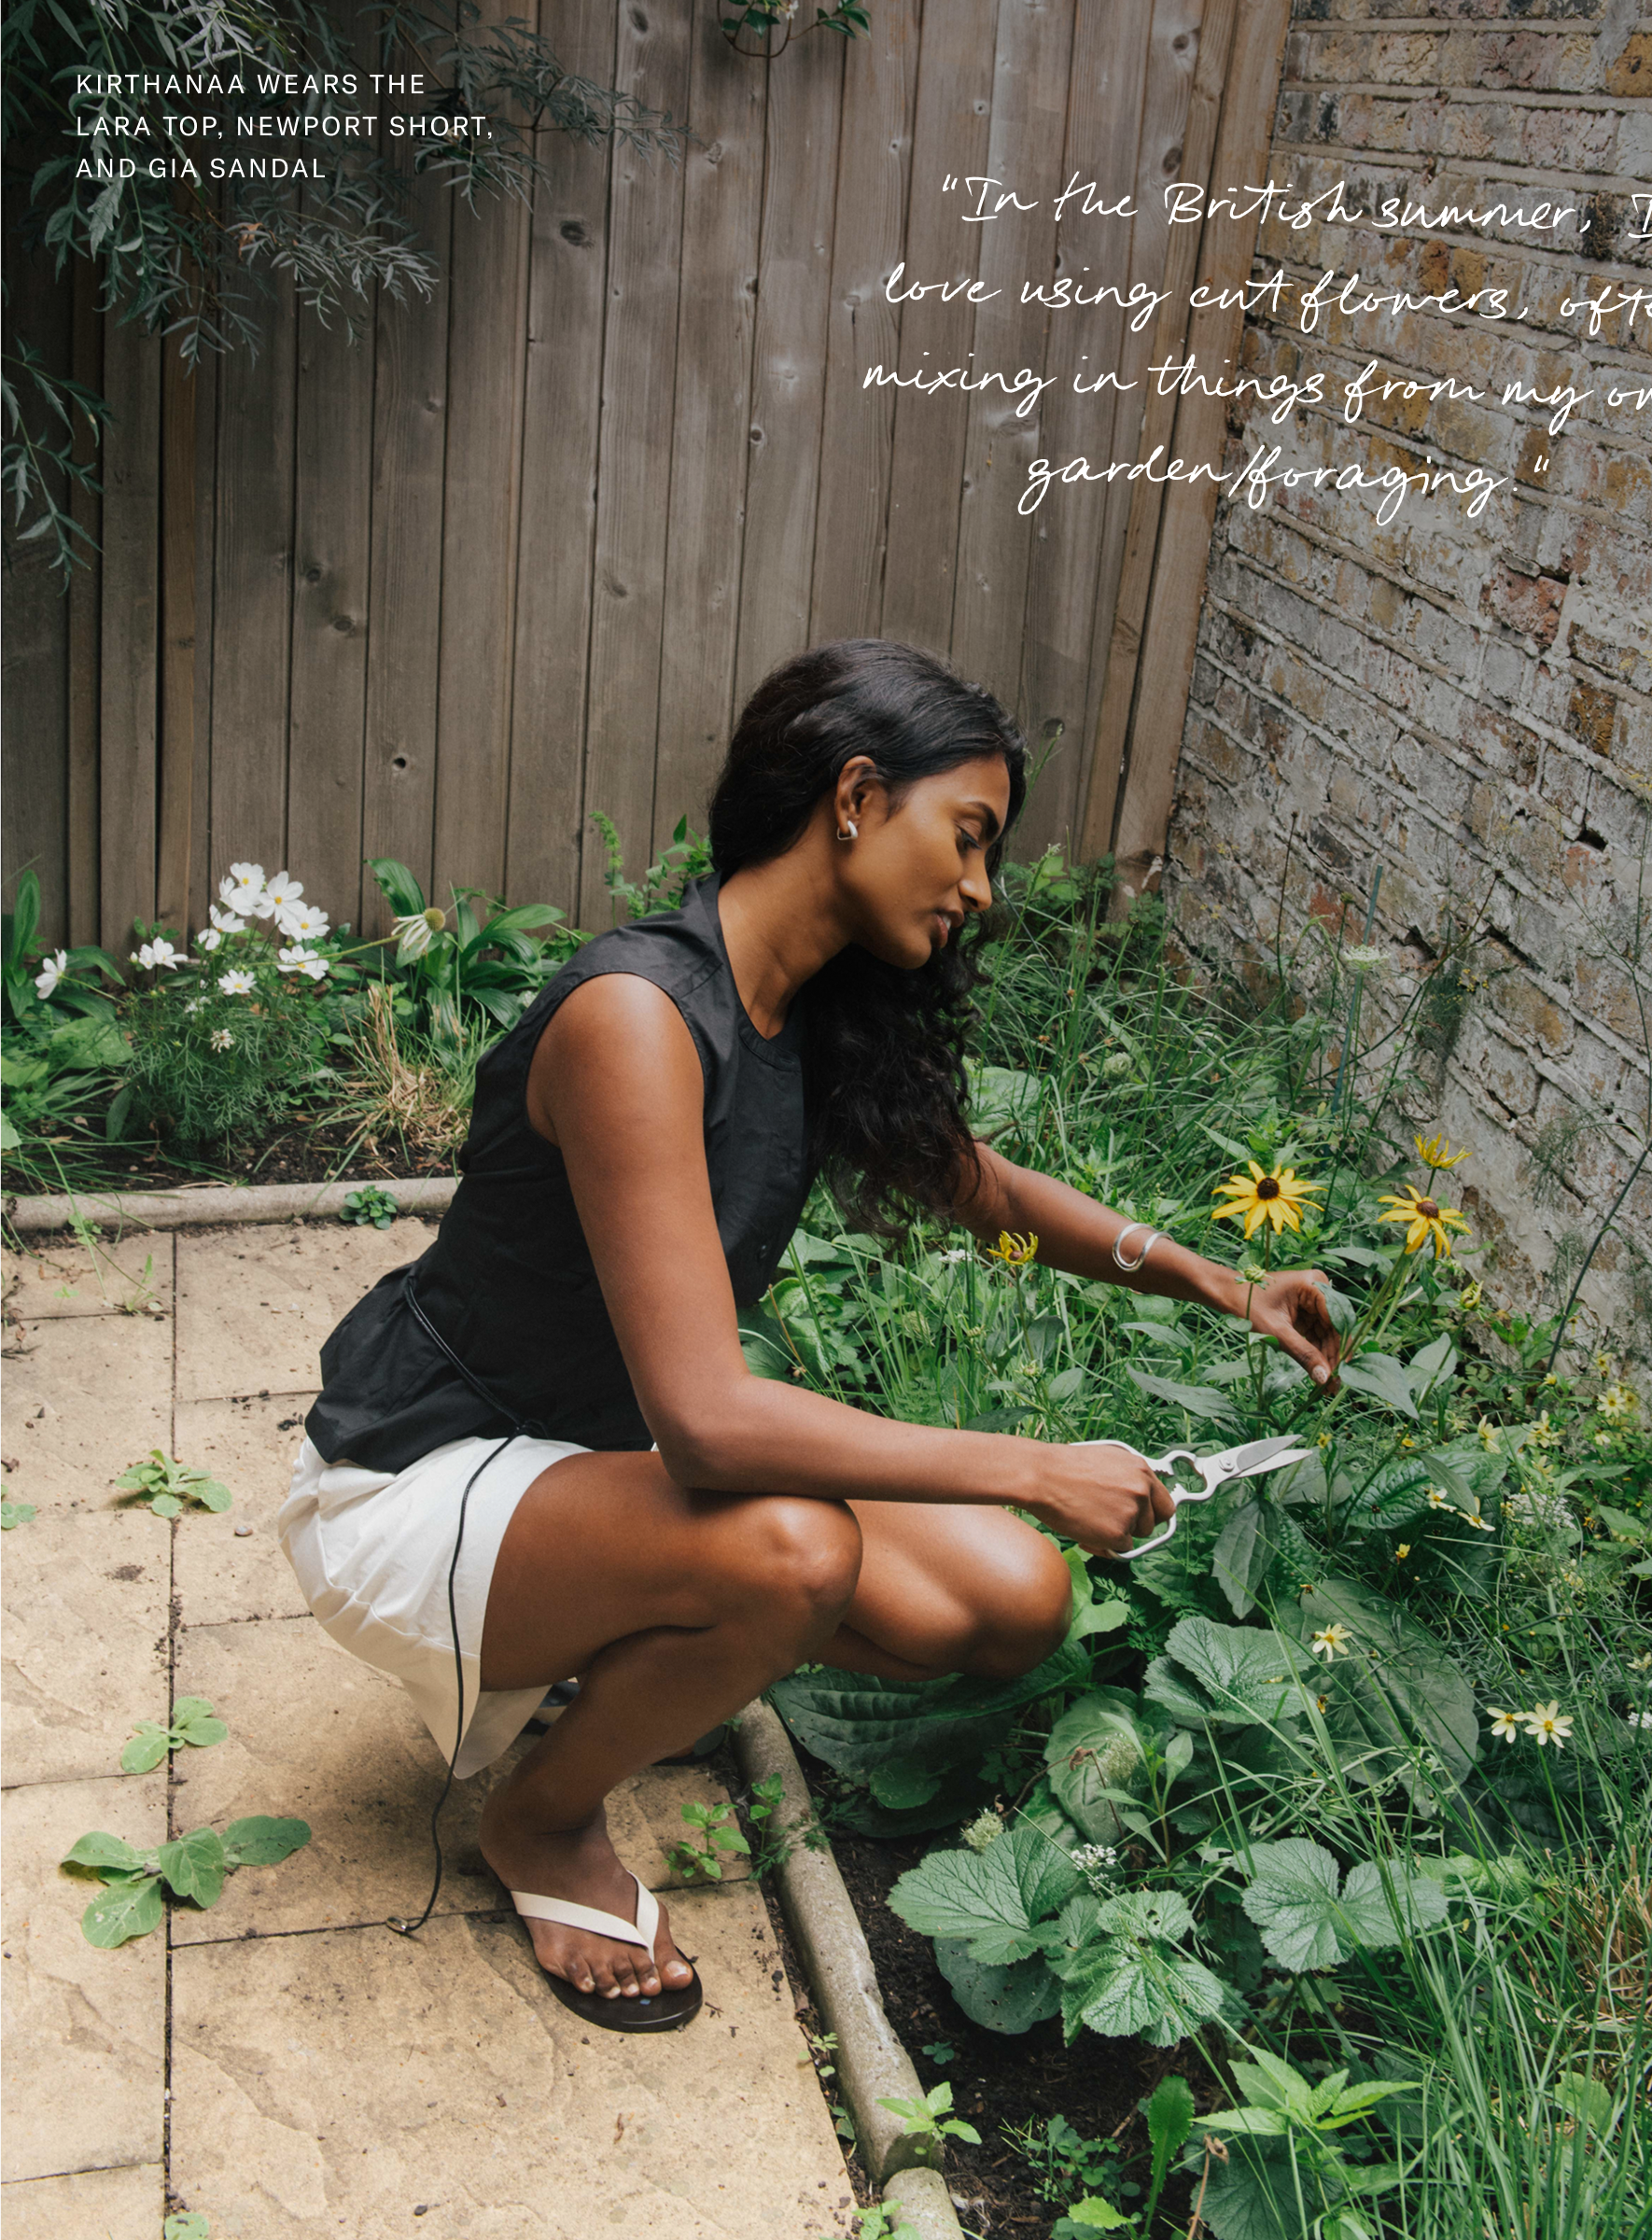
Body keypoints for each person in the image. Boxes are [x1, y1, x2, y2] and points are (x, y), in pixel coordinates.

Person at [277, 637, 1341, 2034]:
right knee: (796, 1551)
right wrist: (1032, 1462)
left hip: (578, 1472)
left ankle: (639, 1647)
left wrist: (1220, 1284)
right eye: (968, 838)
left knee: (1009, 1605)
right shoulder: (637, 1017)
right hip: (416, 1483)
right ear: (853, 798)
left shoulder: (808, 1017)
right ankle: (540, 1820)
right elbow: (711, 1422)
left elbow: (992, 1202)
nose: (981, 889)